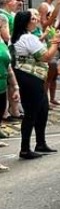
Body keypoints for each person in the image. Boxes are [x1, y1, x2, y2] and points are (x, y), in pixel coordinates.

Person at [10, 11, 60, 159]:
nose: (36, 20)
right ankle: (25, 148)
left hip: (26, 76)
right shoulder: (28, 37)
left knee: (42, 108)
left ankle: (40, 142)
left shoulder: (18, 38)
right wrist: (55, 42)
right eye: (32, 19)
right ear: (26, 22)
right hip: (30, 77)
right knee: (32, 112)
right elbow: (46, 56)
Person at [0, 20, 20, 169]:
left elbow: (8, 67)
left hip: (2, 87)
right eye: (5, 26)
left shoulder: (2, 42)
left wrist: (15, 86)